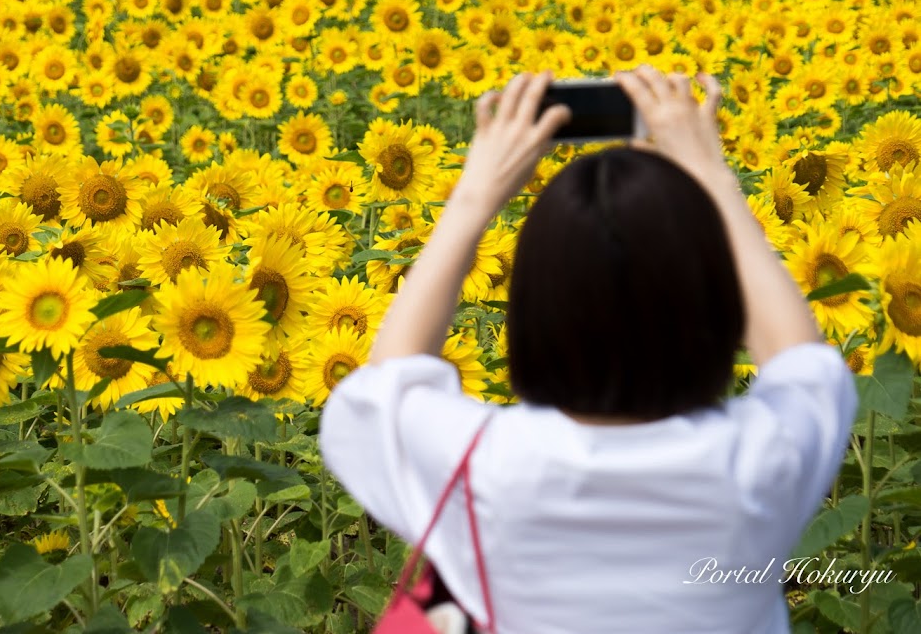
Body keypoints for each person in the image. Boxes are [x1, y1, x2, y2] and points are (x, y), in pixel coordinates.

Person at [318, 65, 858, 634]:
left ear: (528, 313)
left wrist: (475, 195)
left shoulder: (476, 465)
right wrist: (710, 174)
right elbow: (804, 361)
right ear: (719, 312)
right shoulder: (762, 461)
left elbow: (387, 383)